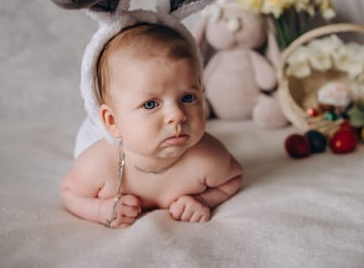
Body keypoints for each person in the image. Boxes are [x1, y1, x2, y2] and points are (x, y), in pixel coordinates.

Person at [60, 23, 243, 228]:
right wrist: (100, 210)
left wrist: (204, 200)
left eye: (188, 97)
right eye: (150, 104)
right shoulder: (98, 165)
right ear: (112, 122)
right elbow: (69, 193)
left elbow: (233, 178)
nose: (177, 115)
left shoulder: (208, 158)